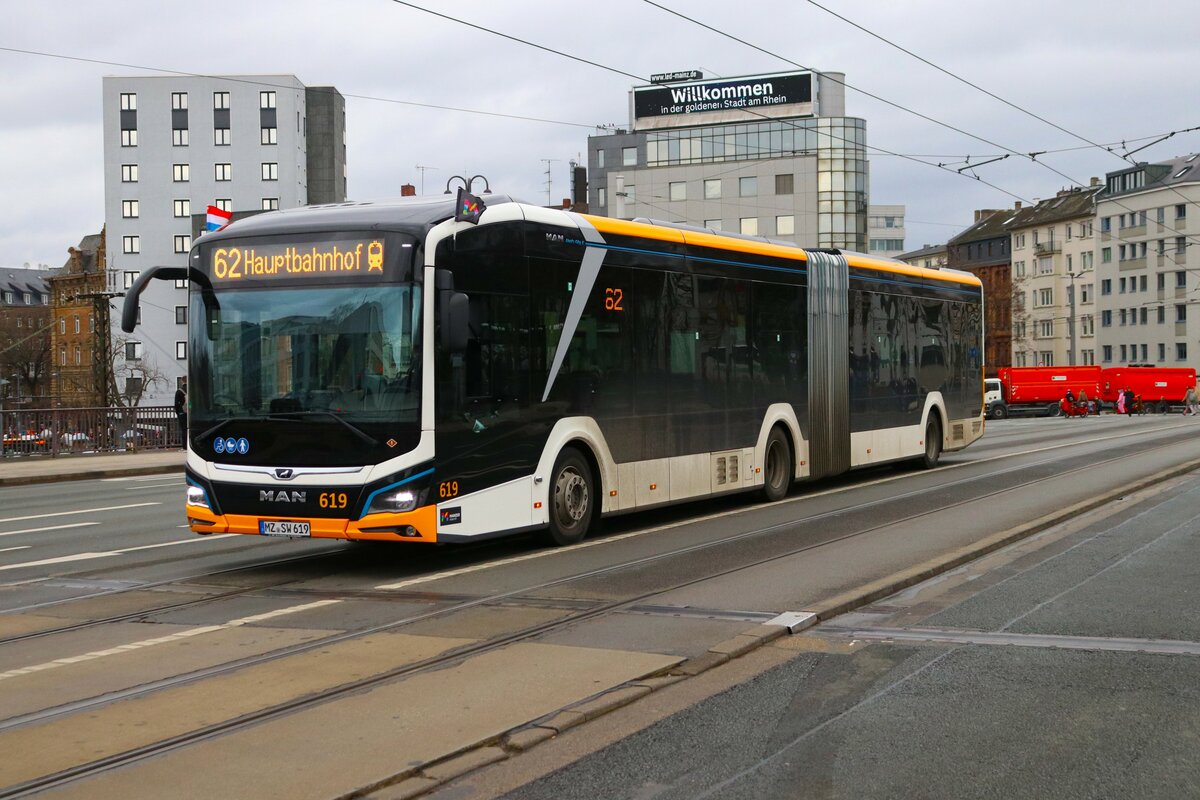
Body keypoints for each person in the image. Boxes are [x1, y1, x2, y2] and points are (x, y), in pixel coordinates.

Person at [174, 377, 187, 447]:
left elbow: (176, 404)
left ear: (182, 381)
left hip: (182, 413)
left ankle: (184, 446)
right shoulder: (192, 389)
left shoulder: (179, 391)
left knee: (184, 430)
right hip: (191, 413)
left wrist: (178, 412)